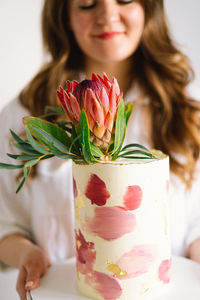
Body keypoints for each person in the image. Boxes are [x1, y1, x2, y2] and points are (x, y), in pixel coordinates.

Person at [0, 0, 200, 299]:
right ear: (64, 18)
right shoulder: (23, 117)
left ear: (148, 9)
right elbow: (6, 225)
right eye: (86, 4)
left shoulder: (186, 114)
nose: (107, 15)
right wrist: (28, 254)